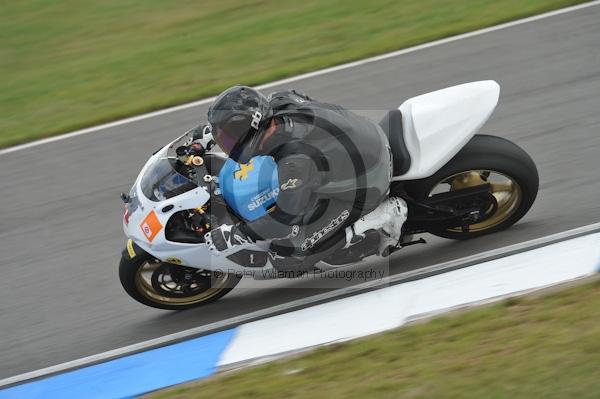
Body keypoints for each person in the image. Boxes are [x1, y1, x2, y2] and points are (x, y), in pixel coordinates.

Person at [202, 85, 407, 273]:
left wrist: (237, 234)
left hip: (370, 179)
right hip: (365, 138)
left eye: (227, 138)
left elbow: (283, 222)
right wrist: (208, 135)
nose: (225, 144)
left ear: (249, 130)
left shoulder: (295, 161)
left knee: (286, 258)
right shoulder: (278, 101)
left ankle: (384, 215)